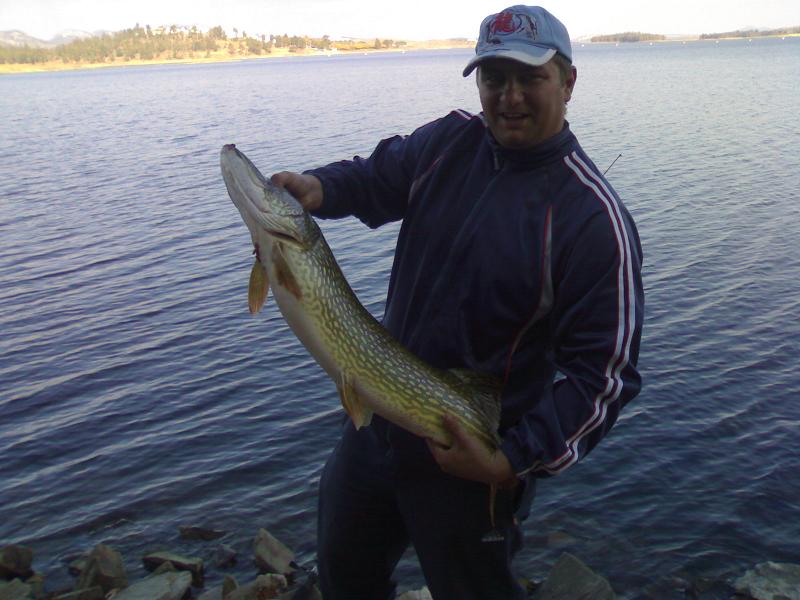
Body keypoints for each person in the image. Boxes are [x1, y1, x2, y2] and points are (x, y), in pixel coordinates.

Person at [272, 5, 644, 599]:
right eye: (494, 78)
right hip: (377, 425)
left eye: (530, 77)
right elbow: (375, 177)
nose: (509, 97)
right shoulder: (448, 141)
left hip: (471, 458)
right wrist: (320, 187)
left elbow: (603, 376)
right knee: (344, 574)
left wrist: (510, 459)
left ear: (568, 82)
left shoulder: (592, 221)